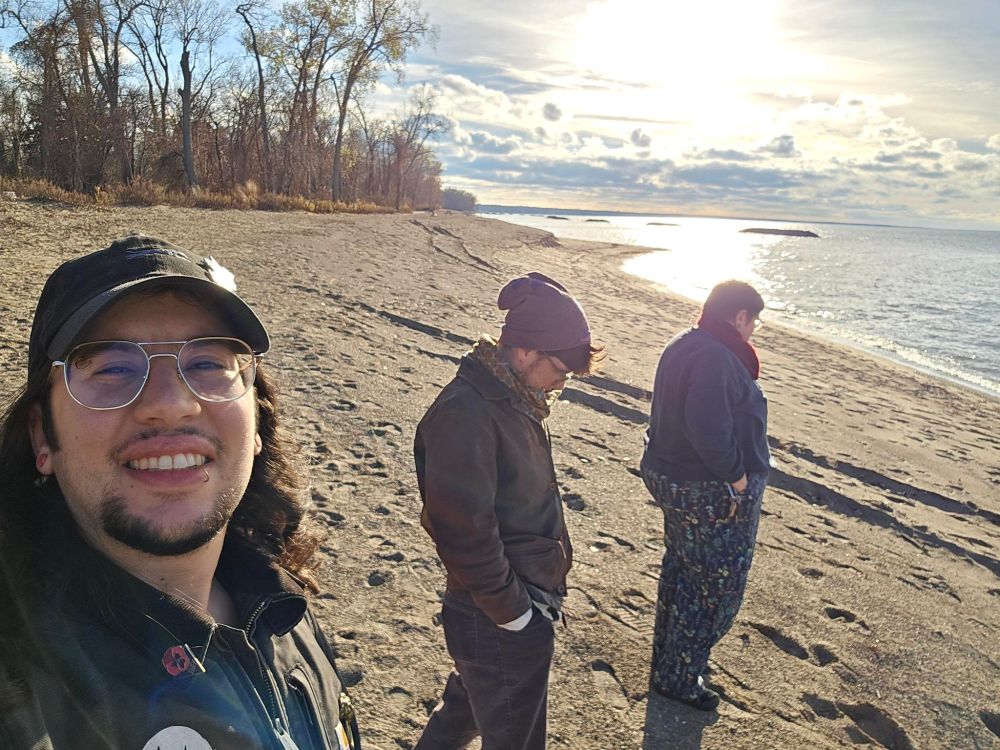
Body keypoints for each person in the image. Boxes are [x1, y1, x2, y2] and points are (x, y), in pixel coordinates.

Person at [0, 236, 360, 749]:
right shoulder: (21, 687)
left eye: (208, 363)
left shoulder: (280, 606)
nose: (171, 405)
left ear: (257, 422)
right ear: (42, 435)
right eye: (113, 368)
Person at [413, 272, 604, 750]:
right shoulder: (466, 412)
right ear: (525, 351)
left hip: (506, 606)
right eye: (560, 369)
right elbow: (463, 531)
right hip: (495, 614)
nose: (562, 382)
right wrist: (516, 617)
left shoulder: (514, 397)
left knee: (461, 716)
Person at [640, 280, 770, 711]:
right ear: (740, 316)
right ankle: (678, 678)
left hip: (675, 477)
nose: (753, 330)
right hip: (707, 489)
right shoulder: (715, 355)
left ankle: (670, 663)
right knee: (716, 588)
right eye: (754, 322)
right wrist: (737, 479)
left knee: (683, 571)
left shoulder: (687, 342)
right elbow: (708, 428)